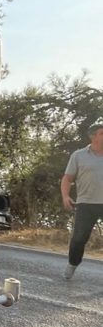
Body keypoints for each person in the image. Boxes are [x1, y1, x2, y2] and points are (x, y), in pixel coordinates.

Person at [61, 120, 103, 280]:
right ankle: (72, 264)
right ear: (93, 137)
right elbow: (67, 178)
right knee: (79, 239)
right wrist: (65, 196)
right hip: (86, 204)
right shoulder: (79, 156)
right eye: (102, 133)